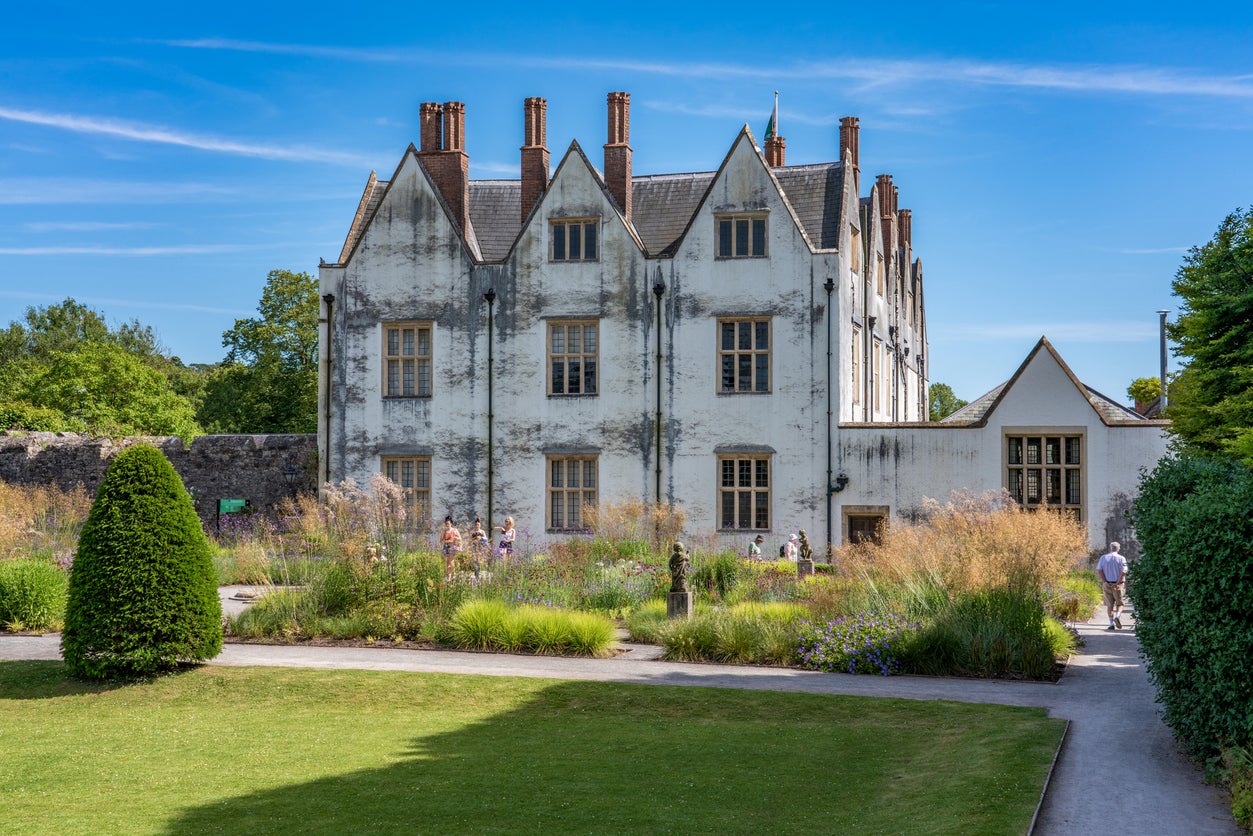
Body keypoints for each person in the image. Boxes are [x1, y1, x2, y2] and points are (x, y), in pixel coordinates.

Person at [1096, 541, 1128, 630]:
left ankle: (1111, 624)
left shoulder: (1103, 558)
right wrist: (1117, 583)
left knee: (1109, 605)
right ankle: (1117, 616)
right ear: (1118, 549)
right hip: (1118, 585)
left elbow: (1099, 570)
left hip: (1107, 584)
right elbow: (1124, 571)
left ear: (1110, 548)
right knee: (1120, 603)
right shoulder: (1121, 558)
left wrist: (1105, 582)